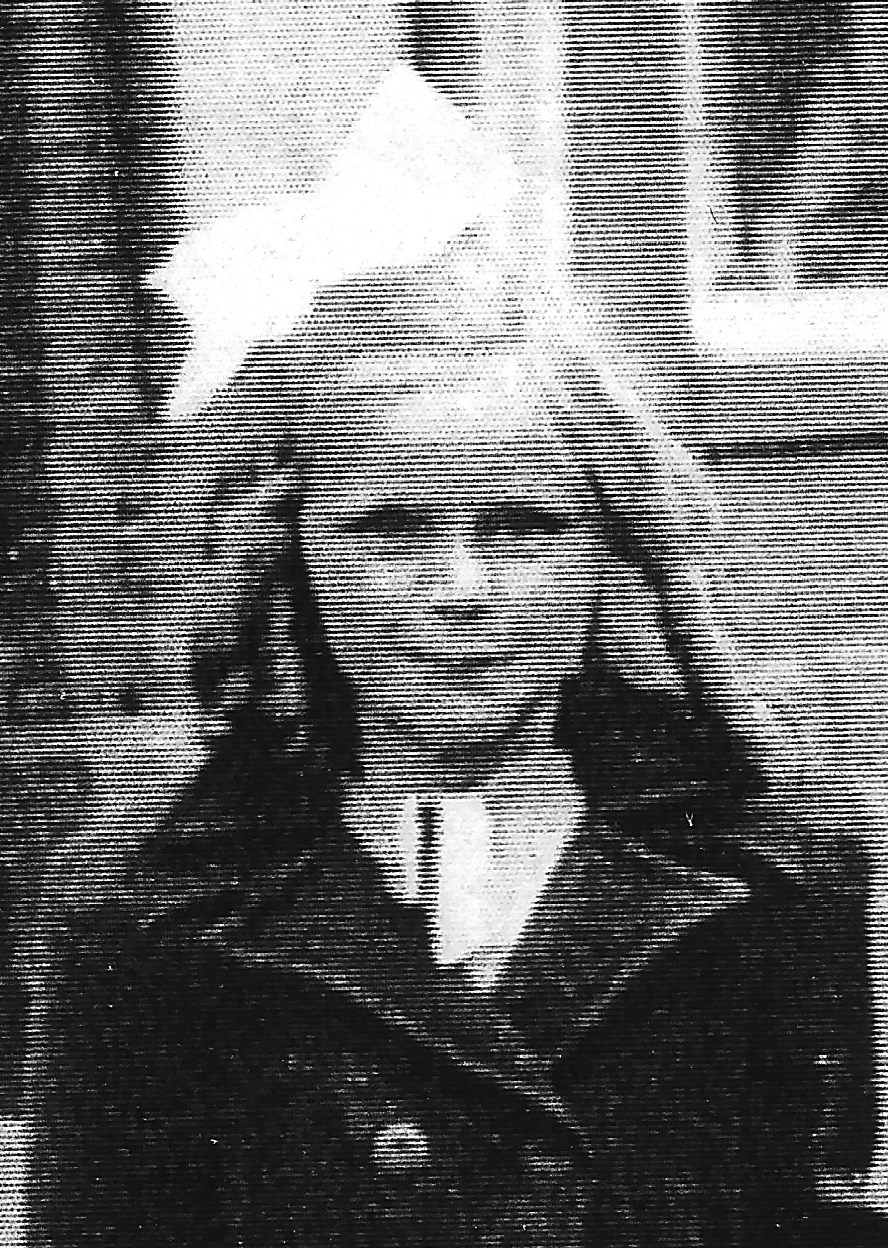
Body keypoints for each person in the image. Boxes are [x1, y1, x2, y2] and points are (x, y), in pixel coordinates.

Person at [25, 69, 876, 1248]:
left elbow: (811, 1200)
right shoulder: (146, 903)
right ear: (285, 552)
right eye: (392, 529)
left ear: (618, 543)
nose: (463, 589)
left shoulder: (768, 864)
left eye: (525, 527)